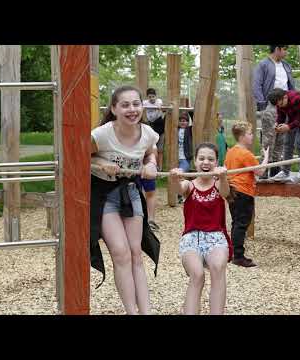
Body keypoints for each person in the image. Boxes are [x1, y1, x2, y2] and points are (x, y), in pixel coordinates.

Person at [90, 85, 160, 315]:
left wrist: (151, 163)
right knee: (120, 252)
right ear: (114, 108)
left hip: (129, 191)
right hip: (103, 193)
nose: (132, 109)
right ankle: (131, 310)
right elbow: (77, 154)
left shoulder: (147, 133)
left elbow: (151, 150)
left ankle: (146, 311)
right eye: (125, 105)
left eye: (136, 104)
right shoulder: (102, 134)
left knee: (136, 252)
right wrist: (100, 164)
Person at [170, 142, 233, 314]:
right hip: (191, 238)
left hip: (216, 237)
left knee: (218, 268)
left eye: (210, 159)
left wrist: (223, 177)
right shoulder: (189, 185)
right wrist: (175, 178)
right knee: (197, 275)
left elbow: (225, 193)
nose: (206, 162)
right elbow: (178, 188)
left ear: (217, 162)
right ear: (195, 162)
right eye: (202, 158)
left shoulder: (219, 183)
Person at [225, 121, 269, 267]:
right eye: (250, 134)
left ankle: (233, 252)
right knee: (242, 223)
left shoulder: (231, 151)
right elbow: (261, 171)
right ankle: (238, 256)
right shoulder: (245, 154)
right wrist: (266, 156)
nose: (252, 136)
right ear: (242, 136)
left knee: (236, 222)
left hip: (231, 191)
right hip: (242, 191)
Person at [269, 88, 300, 183]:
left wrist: (288, 127)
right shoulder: (279, 101)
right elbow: (281, 115)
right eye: (278, 105)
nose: (279, 106)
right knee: (287, 144)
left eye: (280, 104)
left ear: (285, 97)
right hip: (292, 122)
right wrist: (277, 123)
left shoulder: (297, 98)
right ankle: (285, 172)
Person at [252, 45, 296, 112]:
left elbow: (291, 85)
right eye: (284, 49)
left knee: (286, 122)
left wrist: (293, 99)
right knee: (271, 122)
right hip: (271, 104)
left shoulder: (287, 65)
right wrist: (262, 104)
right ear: (277, 49)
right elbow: (256, 85)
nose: (287, 52)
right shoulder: (263, 64)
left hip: (286, 103)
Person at [260, 101, 284, 178]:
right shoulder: (268, 111)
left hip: (281, 108)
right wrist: (262, 103)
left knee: (279, 143)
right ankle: (264, 171)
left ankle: (275, 169)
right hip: (270, 106)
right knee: (268, 142)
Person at [143, 88, 165, 170]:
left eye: (153, 96)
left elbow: (161, 107)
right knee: (151, 148)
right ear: (147, 97)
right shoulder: (145, 102)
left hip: (159, 125)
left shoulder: (158, 101)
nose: (152, 98)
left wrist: (160, 107)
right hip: (151, 125)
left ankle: (160, 167)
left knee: (160, 149)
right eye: (150, 97)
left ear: (156, 96)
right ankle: (152, 165)